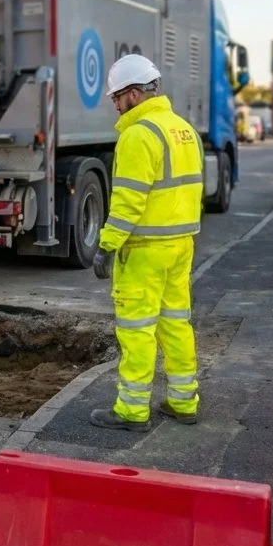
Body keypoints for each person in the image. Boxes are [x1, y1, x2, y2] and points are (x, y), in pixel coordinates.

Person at [90, 53, 204, 432]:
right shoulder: (183, 129)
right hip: (181, 244)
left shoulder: (138, 135)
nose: (116, 106)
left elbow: (127, 201)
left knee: (136, 328)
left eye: (117, 98)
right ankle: (183, 401)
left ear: (135, 94)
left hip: (144, 251)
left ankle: (132, 410)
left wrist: (107, 246)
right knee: (176, 324)